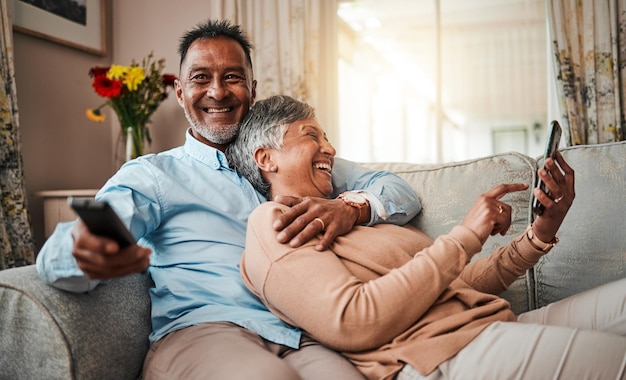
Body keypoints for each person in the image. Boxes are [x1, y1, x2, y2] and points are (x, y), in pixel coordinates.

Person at [36, 20, 422, 380]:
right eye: (201, 78)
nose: (217, 91)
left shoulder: (287, 157)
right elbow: (77, 242)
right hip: (206, 331)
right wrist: (82, 249)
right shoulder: (155, 174)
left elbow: (401, 193)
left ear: (253, 90)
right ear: (181, 91)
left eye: (232, 77)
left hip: (302, 334)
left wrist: (350, 208)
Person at [227, 95, 626, 380]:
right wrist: (466, 236)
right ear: (266, 158)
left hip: (487, 326)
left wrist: (540, 232)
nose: (330, 148)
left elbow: (455, 286)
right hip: (438, 356)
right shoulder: (272, 224)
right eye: (312, 135)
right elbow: (353, 321)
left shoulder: (352, 212)